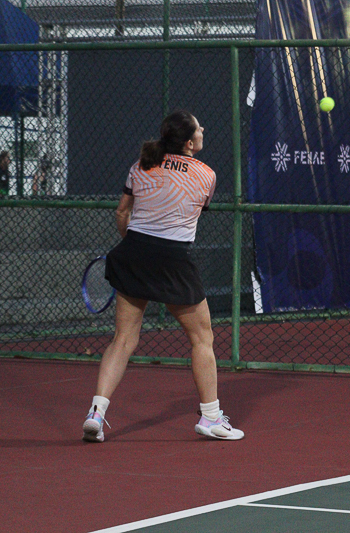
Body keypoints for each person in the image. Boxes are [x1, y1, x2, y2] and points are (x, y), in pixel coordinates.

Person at [82, 109, 244, 443]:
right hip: (173, 259)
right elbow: (186, 213)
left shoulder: (140, 165)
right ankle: (211, 418)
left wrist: (134, 246)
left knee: (122, 340)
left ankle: (96, 413)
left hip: (134, 253)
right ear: (189, 143)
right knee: (202, 339)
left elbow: (122, 212)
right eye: (198, 128)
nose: (203, 129)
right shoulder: (207, 175)